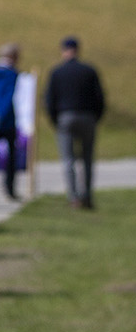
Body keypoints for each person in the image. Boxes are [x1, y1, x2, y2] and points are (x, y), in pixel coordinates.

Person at [44, 35, 105, 209]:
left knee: (68, 159)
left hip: (65, 117)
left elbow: (49, 100)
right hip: (87, 117)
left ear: (63, 50)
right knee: (87, 159)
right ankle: (86, 195)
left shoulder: (57, 72)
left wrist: (55, 120)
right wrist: (95, 117)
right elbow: (100, 98)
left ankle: (74, 197)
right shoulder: (89, 70)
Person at [0, 43, 22, 200]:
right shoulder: (11, 74)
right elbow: (8, 98)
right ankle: (9, 188)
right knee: (10, 156)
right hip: (6, 120)